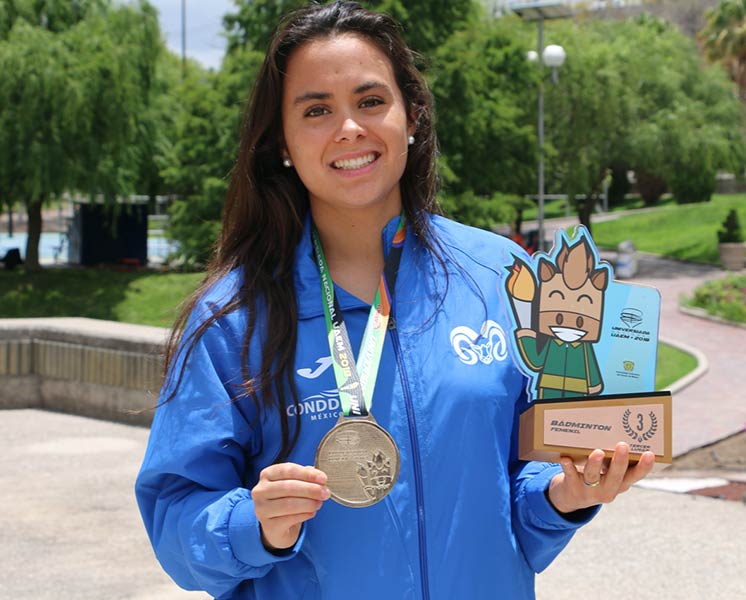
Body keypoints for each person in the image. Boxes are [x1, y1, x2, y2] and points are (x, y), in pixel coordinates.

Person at [135, 2, 654, 599]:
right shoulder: (233, 319)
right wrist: (254, 526)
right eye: (316, 110)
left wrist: (566, 496)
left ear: (412, 117)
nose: (349, 128)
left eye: (371, 101)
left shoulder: (501, 279)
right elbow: (176, 519)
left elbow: (519, 499)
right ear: (281, 141)